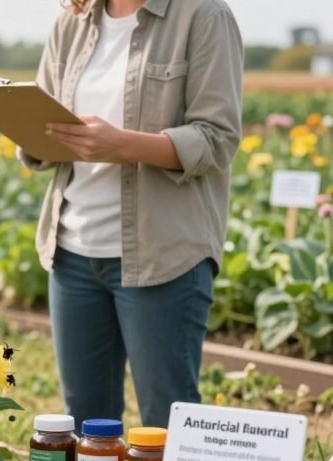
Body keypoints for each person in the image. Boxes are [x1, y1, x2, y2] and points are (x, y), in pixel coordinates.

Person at [18, 0, 243, 428]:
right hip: (72, 252)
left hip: (163, 256)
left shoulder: (203, 15)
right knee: (85, 421)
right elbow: (43, 129)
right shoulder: (72, 20)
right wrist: (25, 128)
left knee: (166, 419)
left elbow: (217, 139)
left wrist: (121, 145)